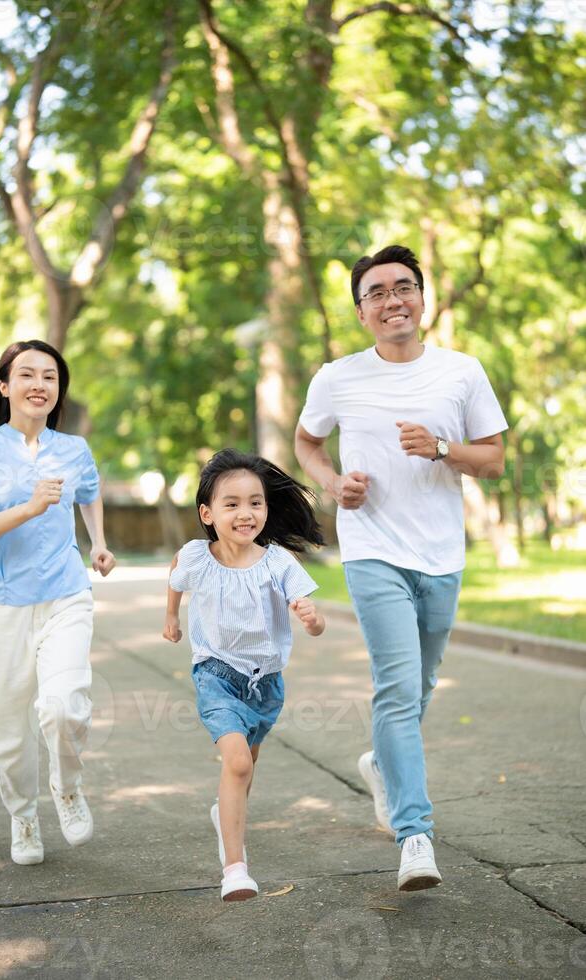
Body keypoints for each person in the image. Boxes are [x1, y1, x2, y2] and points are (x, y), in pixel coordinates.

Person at [295, 244, 507, 892]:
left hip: (442, 554)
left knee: (419, 687)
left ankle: (383, 766)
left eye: (403, 287)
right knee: (396, 684)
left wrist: (442, 448)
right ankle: (415, 834)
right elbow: (308, 440)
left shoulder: (462, 372)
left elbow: (493, 459)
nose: (393, 300)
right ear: (362, 311)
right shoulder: (338, 376)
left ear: (422, 297)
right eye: (378, 292)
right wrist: (332, 483)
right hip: (372, 549)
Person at [0, 339, 116, 866]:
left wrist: (99, 541)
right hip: (1, 604)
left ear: (57, 391)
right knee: (10, 731)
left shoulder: (74, 449)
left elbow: (88, 491)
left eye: (50, 377)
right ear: (5, 386)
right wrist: (29, 506)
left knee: (63, 705)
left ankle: (66, 787)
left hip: (65, 592)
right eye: (27, 375)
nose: (40, 385)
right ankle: (23, 816)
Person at [163, 448, 325, 901]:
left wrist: (311, 619)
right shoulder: (196, 556)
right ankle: (235, 868)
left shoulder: (277, 563)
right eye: (231, 503)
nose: (245, 512)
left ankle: (225, 814)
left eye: (255, 502)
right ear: (207, 513)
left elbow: (316, 622)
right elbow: (175, 577)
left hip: (266, 683)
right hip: (216, 673)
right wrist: (171, 617)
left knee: (245, 767)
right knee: (236, 763)